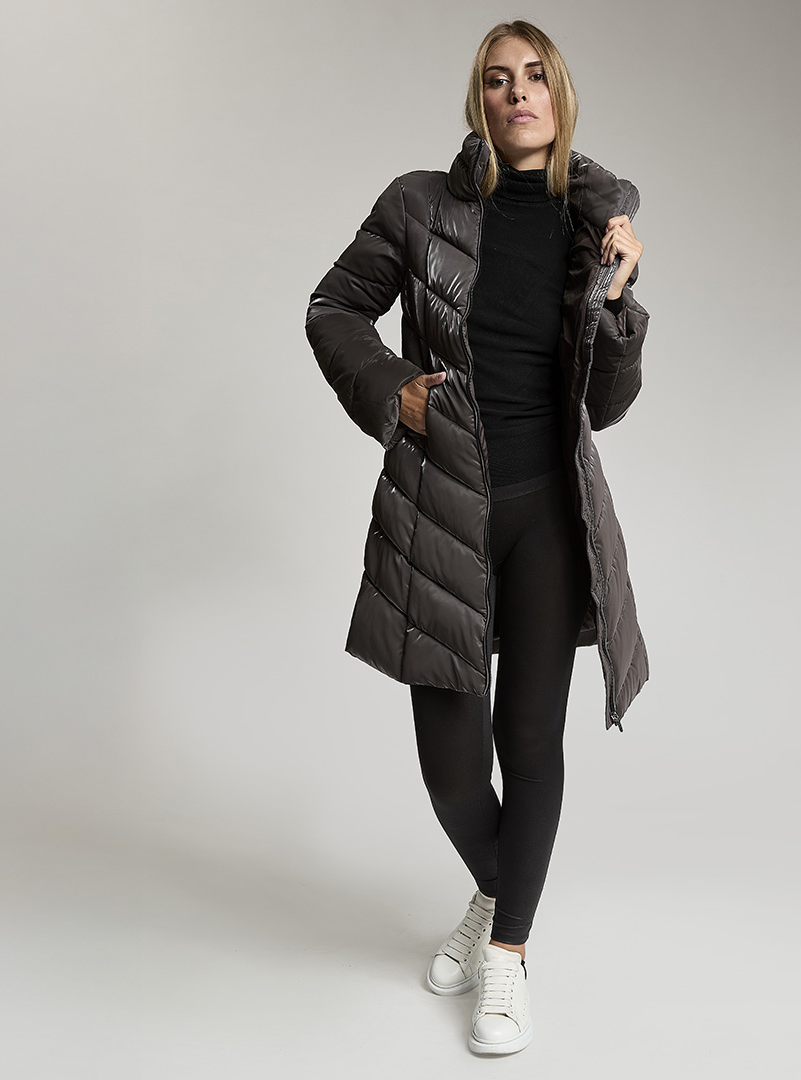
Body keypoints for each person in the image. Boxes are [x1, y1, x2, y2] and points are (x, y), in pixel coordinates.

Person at [304, 20, 649, 1055]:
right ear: (479, 101)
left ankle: (506, 954)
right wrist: (393, 391)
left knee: (529, 744)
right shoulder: (419, 206)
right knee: (452, 769)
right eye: (498, 80)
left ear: (560, 94)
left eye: (535, 76)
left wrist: (619, 299)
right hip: (444, 508)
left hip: (549, 512)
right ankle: (506, 900)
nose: (517, 93)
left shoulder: (597, 231)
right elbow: (332, 308)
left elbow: (608, 403)